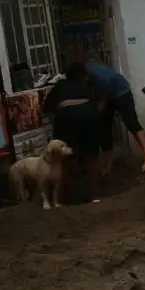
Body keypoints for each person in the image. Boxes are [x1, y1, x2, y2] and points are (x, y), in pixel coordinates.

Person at [42, 62, 101, 203]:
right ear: (83, 76)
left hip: (66, 119)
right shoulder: (86, 86)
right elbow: (96, 105)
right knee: (91, 158)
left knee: (65, 157)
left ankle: (64, 198)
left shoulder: (60, 86)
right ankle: (94, 196)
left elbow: (47, 107)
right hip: (89, 117)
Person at [85, 57, 145, 174]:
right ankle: (108, 163)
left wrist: (100, 106)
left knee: (131, 122)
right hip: (106, 94)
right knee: (104, 129)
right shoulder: (83, 73)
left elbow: (104, 92)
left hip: (121, 91)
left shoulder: (97, 75)